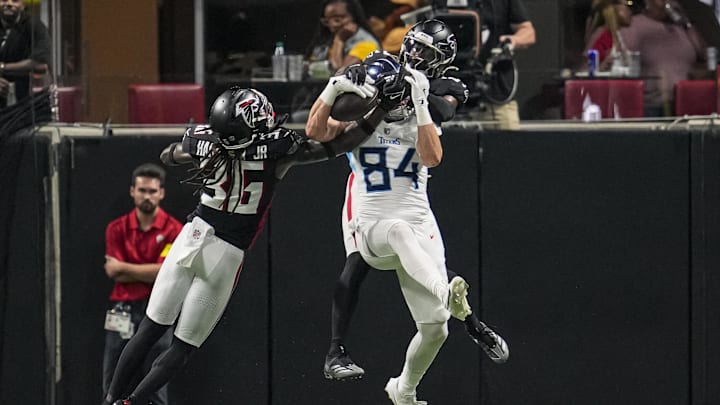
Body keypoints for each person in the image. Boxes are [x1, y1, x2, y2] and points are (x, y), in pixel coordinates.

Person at [102, 76, 399, 404]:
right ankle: (131, 402)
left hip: (192, 237)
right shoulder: (275, 152)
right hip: (225, 255)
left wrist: (198, 149)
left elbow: (168, 156)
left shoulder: (207, 140)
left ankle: (111, 399)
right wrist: (380, 109)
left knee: (149, 329)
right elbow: (337, 146)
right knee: (183, 347)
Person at [306, 20, 509, 404]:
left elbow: (433, 155)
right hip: (372, 215)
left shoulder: (432, 97)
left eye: (426, 54)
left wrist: (416, 98)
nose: (414, 57)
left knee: (436, 329)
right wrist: (335, 87)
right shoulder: (372, 86)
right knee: (389, 242)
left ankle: (404, 389)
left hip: (417, 213)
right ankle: (339, 348)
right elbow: (318, 131)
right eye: (412, 48)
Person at [102, 163, 183, 405]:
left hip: (158, 310)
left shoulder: (174, 230)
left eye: (152, 191)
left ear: (161, 193)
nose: (147, 196)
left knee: (155, 384)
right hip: (122, 310)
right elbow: (112, 272)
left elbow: (164, 274)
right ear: (132, 191)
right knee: (112, 383)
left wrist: (125, 268)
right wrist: (152, 271)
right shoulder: (116, 228)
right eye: (142, 190)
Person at [620, 0, 705, 116]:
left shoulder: (680, 27)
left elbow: (702, 52)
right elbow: (622, 62)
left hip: (686, 104)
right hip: (652, 107)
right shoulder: (634, 26)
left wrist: (686, 23)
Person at [470, 0, 536, 129]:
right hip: (450, 97)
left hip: (496, 95)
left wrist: (511, 41)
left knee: (506, 144)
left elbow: (528, 32)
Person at [307, 0, 381, 78]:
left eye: (338, 19)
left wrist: (339, 40)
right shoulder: (326, 40)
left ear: (353, 17)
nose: (332, 24)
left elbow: (340, 75)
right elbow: (310, 67)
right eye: (327, 21)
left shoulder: (367, 43)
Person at [0, 0, 51, 108]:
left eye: (15, 0)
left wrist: (3, 67)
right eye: (4, 0)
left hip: (25, 103)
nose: (9, 4)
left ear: (23, 5)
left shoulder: (34, 26)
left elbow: (40, 64)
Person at [585, 0, 633, 72]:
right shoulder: (601, 34)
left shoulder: (619, 34)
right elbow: (585, 68)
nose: (630, 12)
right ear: (612, 7)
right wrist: (600, 68)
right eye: (627, 7)